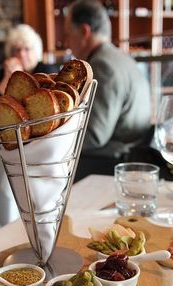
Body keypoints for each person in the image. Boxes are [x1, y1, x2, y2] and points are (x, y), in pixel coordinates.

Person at [64, 0, 152, 178]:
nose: (67, 43)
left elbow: (94, 136)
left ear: (84, 32)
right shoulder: (122, 58)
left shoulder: (101, 65)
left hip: (113, 165)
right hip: (134, 155)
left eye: (67, 35)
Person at [0, 24, 59, 95]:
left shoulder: (47, 71)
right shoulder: (4, 72)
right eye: (17, 50)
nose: (22, 54)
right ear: (11, 53)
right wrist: (9, 77)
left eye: (27, 49)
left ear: (36, 51)